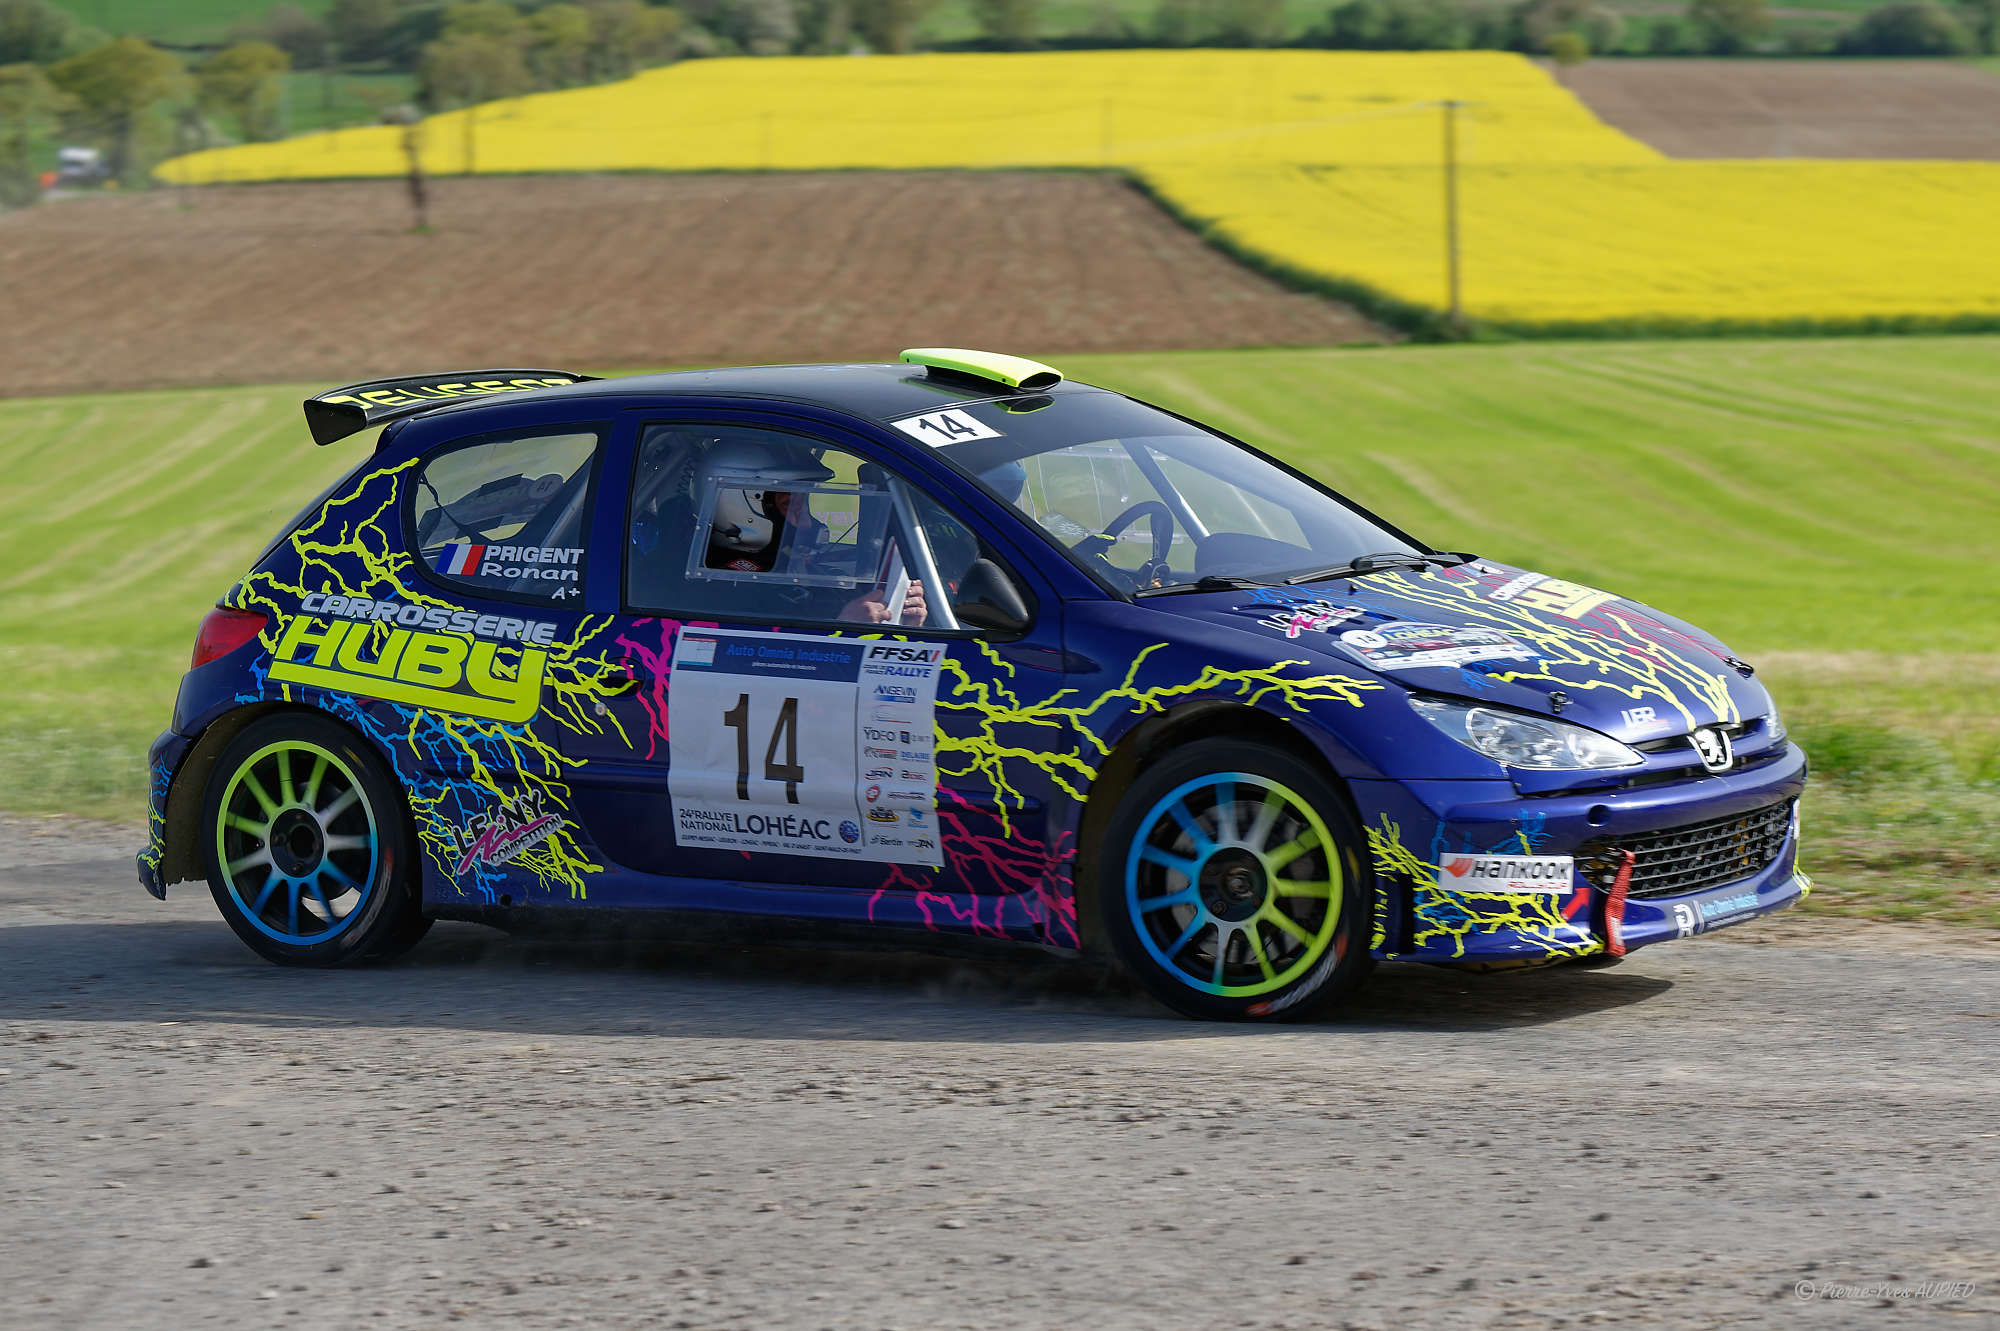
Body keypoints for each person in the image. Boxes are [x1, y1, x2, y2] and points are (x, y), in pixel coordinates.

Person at [693, 438, 927, 627]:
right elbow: (752, 663)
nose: (808, 522)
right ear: (738, 508)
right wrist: (846, 628)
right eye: (790, 506)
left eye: (804, 502)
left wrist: (903, 620)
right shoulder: (710, 596)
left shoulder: (799, 575)